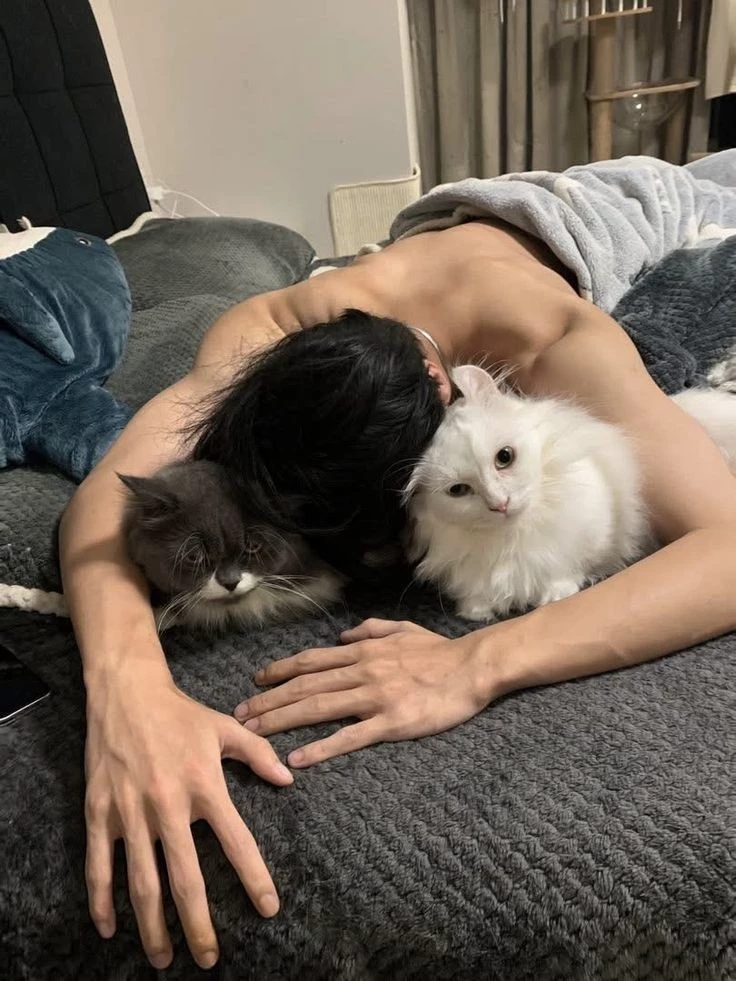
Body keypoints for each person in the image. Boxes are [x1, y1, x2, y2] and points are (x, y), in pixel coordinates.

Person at [59, 217, 736, 971]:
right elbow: (100, 507)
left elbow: (727, 550)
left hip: (576, 217)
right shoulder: (261, 336)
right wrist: (128, 690)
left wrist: (476, 661)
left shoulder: (555, 345)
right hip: (425, 236)